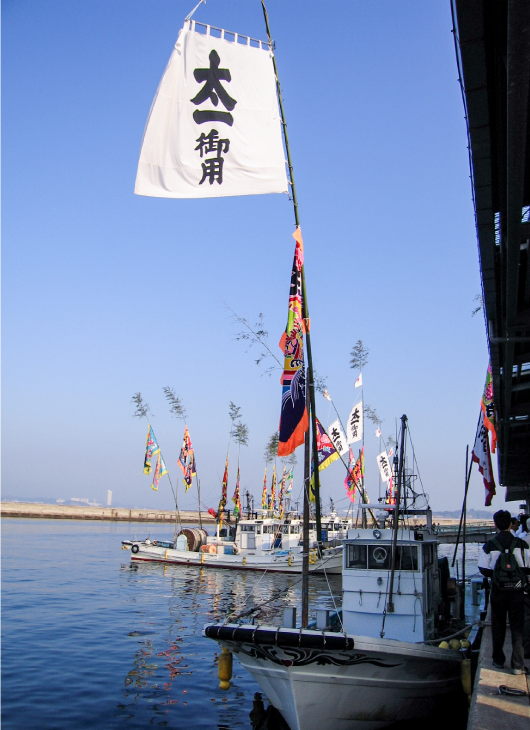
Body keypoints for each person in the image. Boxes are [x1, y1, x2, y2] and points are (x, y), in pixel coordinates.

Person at [478, 509, 530, 674]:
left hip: (498, 591)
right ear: (510, 524)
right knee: (517, 627)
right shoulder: (522, 544)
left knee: (498, 625)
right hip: (517, 591)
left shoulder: (489, 545)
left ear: (495, 525)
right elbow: (527, 567)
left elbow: (483, 569)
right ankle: (517, 665)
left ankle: (498, 660)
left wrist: (498, 575)